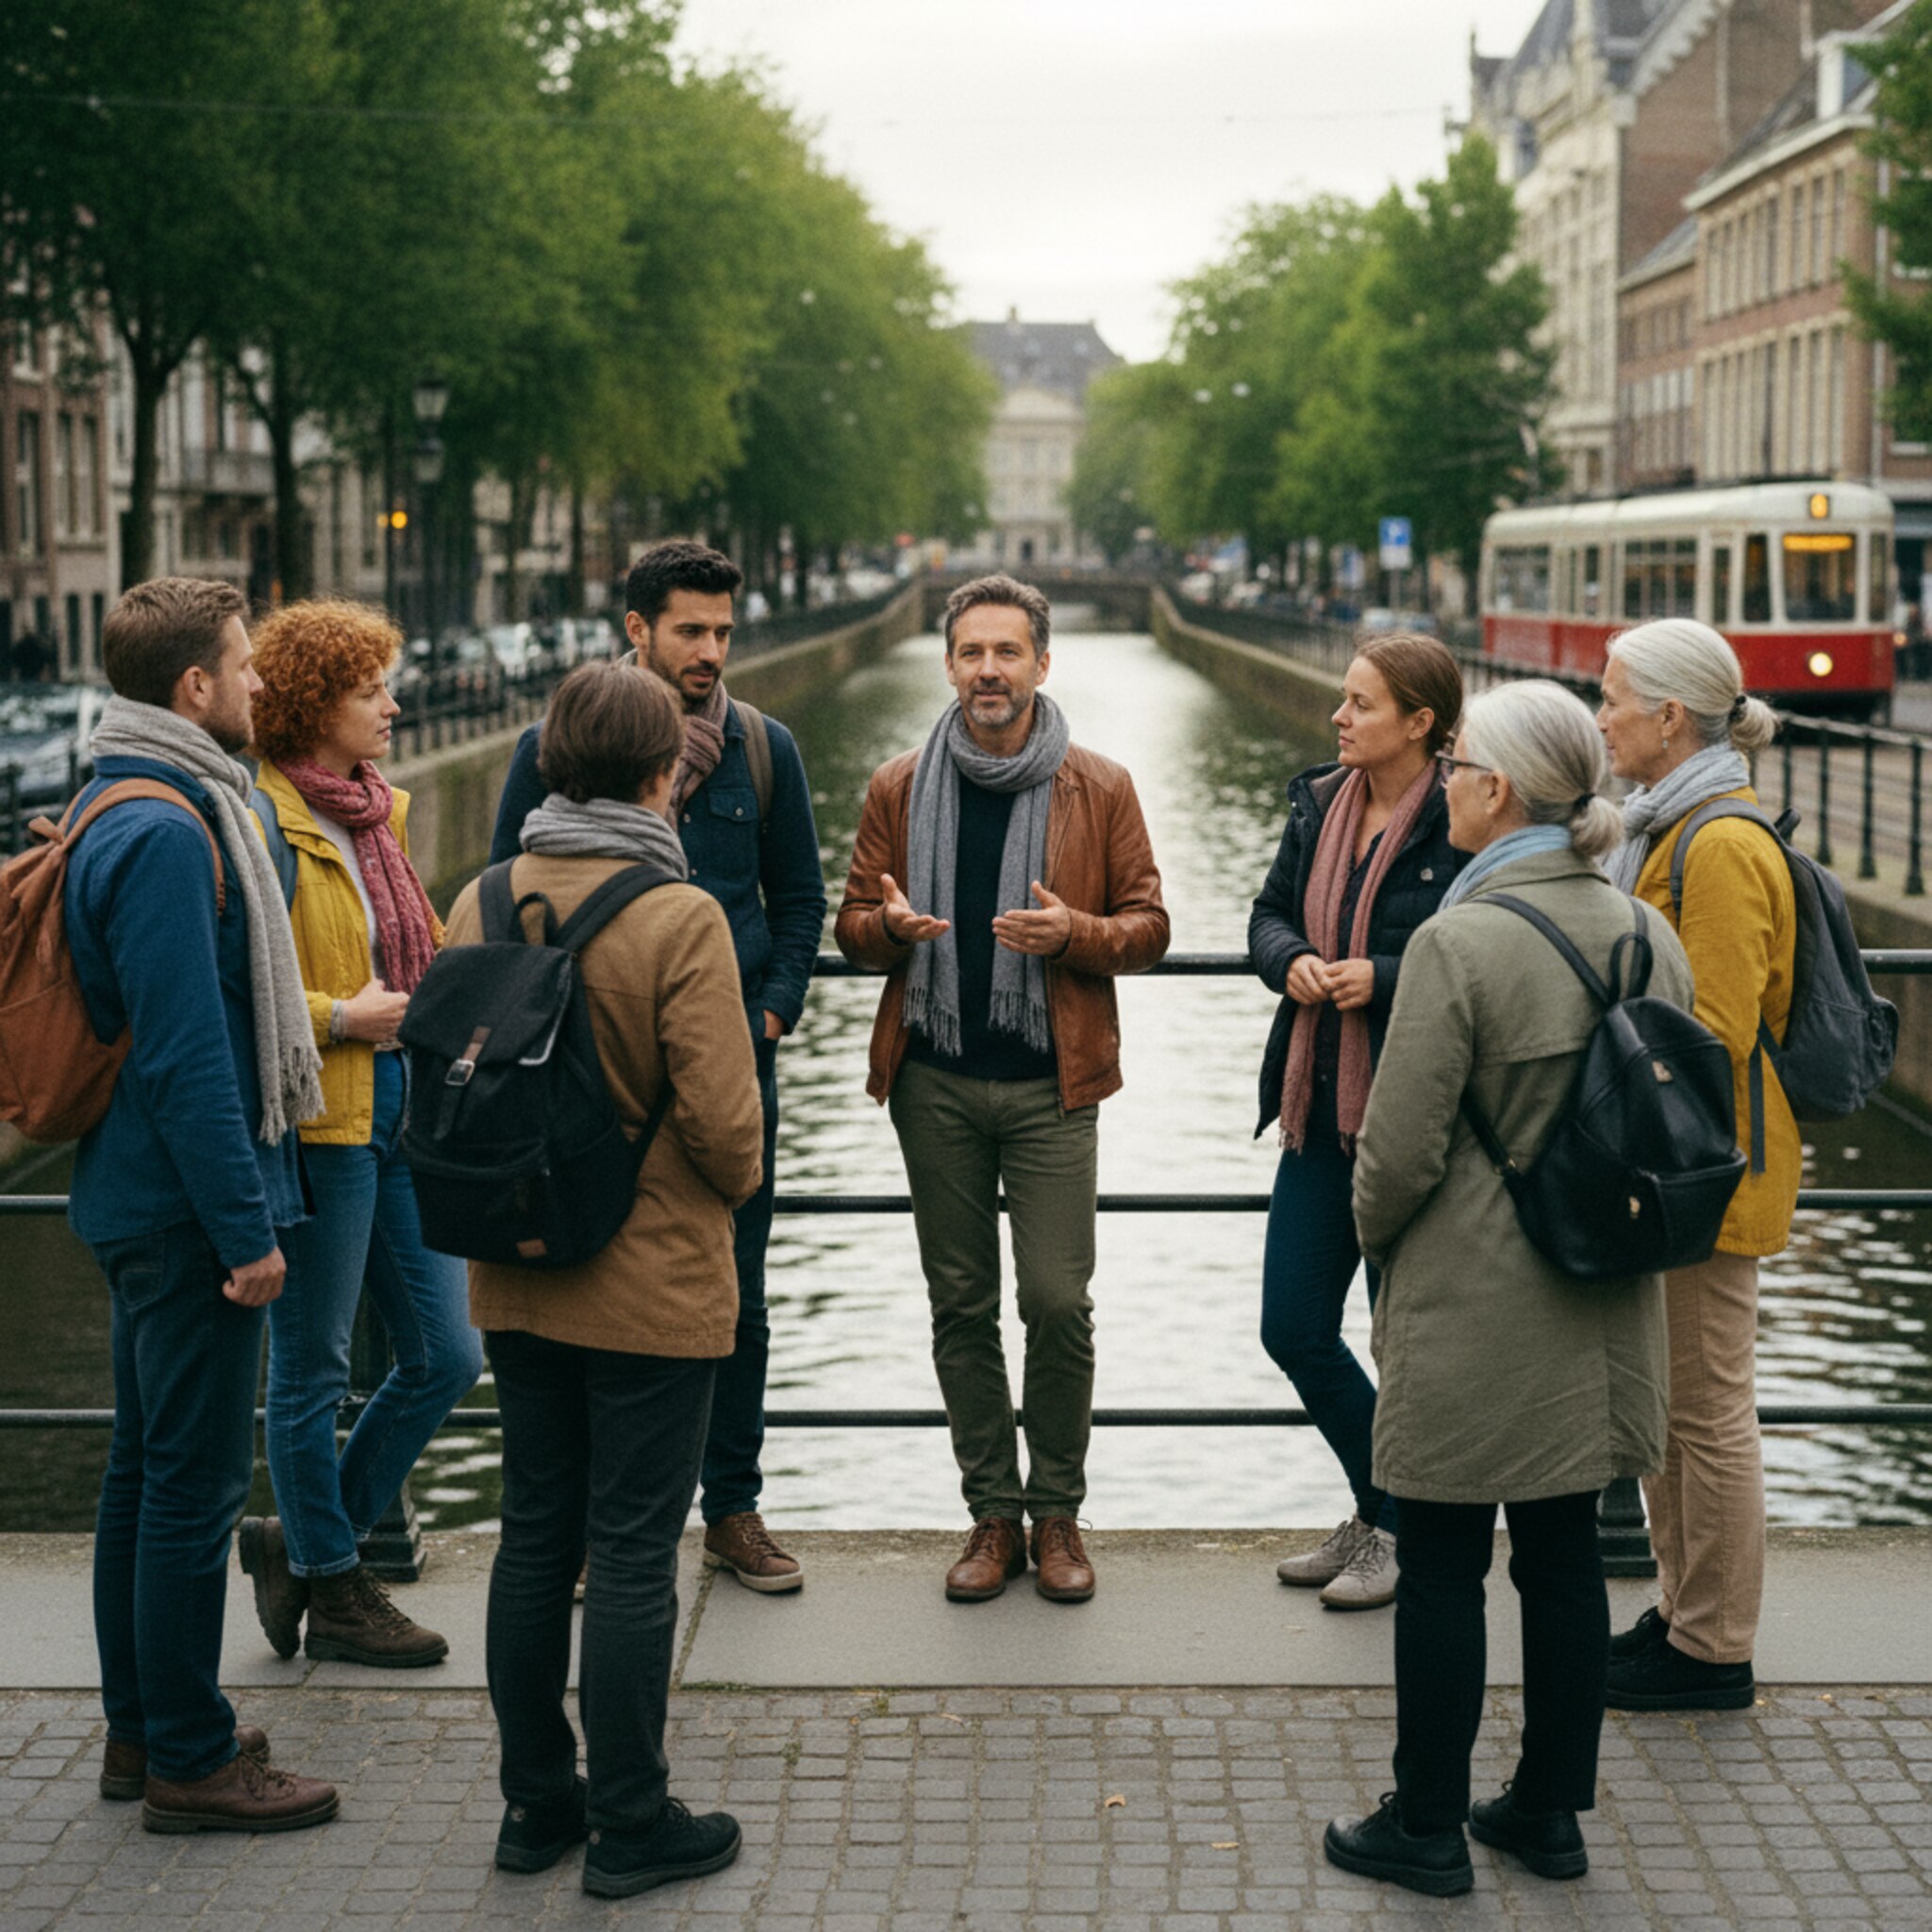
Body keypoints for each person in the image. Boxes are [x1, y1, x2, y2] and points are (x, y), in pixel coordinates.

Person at [1324, 680, 1693, 1898]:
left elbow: (1397, 1153)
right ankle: (1548, 1810)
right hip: (1601, 1299)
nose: (1447, 786)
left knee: (1437, 1558)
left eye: (1462, 765)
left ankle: (1425, 1822)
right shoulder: (1645, 931)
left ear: (1494, 790)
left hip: (1477, 1305)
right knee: (1563, 1560)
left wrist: (1381, 1248)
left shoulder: (1458, 941)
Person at [452, 659, 764, 1896]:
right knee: (634, 1550)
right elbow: (731, 1136)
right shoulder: (677, 915)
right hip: (651, 1287)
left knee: (534, 1534)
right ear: (660, 771)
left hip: (518, 1272)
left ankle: (538, 1808)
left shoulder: (482, 895)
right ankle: (633, 1824)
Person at [490, 540, 824, 1593]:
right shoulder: (554, 749)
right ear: (636, 629)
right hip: (585, 1080)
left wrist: (767, 1016)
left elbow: (801, 900)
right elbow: (509, 896)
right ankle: (596, 1526)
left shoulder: (763, 750)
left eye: (724, 631)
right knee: (580, 1279)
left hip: (727, 1070)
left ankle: (731, 1505)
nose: (711, 652)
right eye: (690, 629)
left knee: (739, 1295)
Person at [834, 574, 1169, 1604]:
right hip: (933, 1075)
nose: (988, 670)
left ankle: (1056, 1511)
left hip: (1050, 1083)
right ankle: (991, 1514)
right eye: (971, 652)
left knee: (1057, 1301)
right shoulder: (897, 783)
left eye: (1007, 652)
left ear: (1040, 664)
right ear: (948, 664)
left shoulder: (1098, 784)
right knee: (960, 1302)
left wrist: (1077, 934)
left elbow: (1149, 928)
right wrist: (886, 932)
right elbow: (848, 924)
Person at [63, 577, 337, 1832]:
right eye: (243, 663)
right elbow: (182, 1051)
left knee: (144, 1475)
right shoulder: (172, 830)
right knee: (192, 1490)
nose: (259, 682)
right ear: (193, 689)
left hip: (136, 1198)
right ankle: (190, 1754)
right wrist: (249, 1235)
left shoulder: (118, 797)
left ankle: (142, 1727)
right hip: (185, 1217)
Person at [233, 599, 483, 1668]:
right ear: (311, 704)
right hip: (321, 1119)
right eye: (367, 689)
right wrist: (346, 1016)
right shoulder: (261, 818)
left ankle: (301, 1542)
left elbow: (414, 947)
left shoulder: (378, 812)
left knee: (448, 1352)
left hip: (401, 1111)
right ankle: (336, 1585)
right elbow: (241, 987)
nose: (391, 703)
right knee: (311, 1366)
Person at [1596, 618, 1792, 1713]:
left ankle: (1714, 1645)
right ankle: (1680, 1612)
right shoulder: (1662, 825)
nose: (1602, 716)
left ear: (1669, 718)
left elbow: (1711, 1028)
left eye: (1614, 697)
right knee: (1673, 1405)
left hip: (1706, 1166)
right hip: (1680, 1163)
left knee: (1707, 1408)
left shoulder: (1713, 842)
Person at [1248, 635, 1465, 1610]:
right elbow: (1264, 914)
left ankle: (1397, 1528)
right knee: (1291, 1324)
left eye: (1360, 703)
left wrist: (1384, 976)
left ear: (1418, 723)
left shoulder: (1461, 818)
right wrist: (1288, 956)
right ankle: (1382, 1508)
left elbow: (1475, 946)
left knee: (1402, 1344)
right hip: (1316, 1113)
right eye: (1340, 698)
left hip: (1408, 1122)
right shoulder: (1319, 803)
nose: (1337, 717)